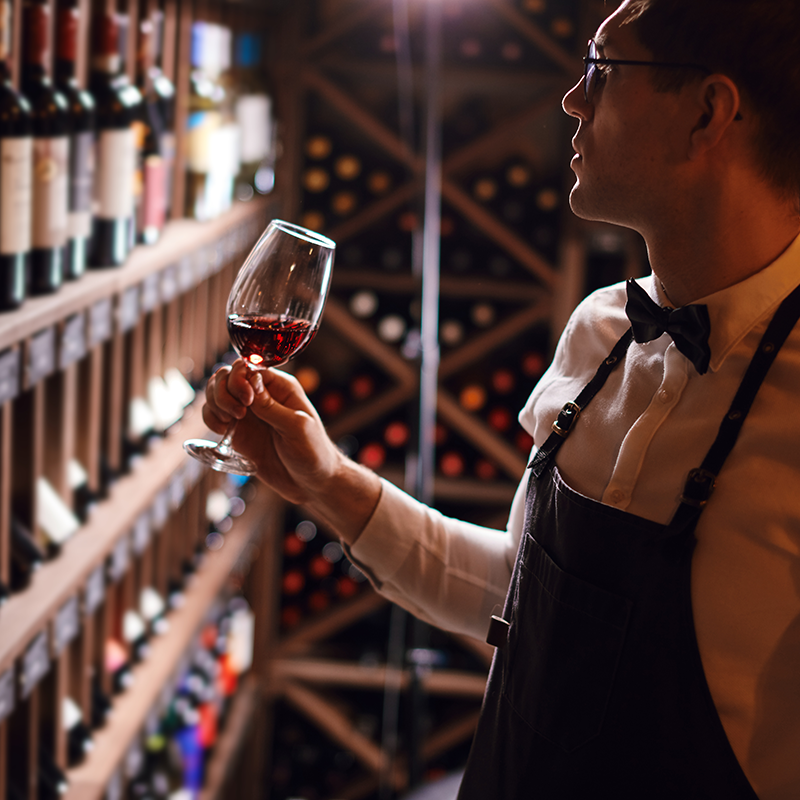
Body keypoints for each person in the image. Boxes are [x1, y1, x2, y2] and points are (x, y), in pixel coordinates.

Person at [201, 0, 800, 796]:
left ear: (707, 114)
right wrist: (326, 484)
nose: (572, 100)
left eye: (602, 71)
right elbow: (516, 597)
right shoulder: (600, 332)